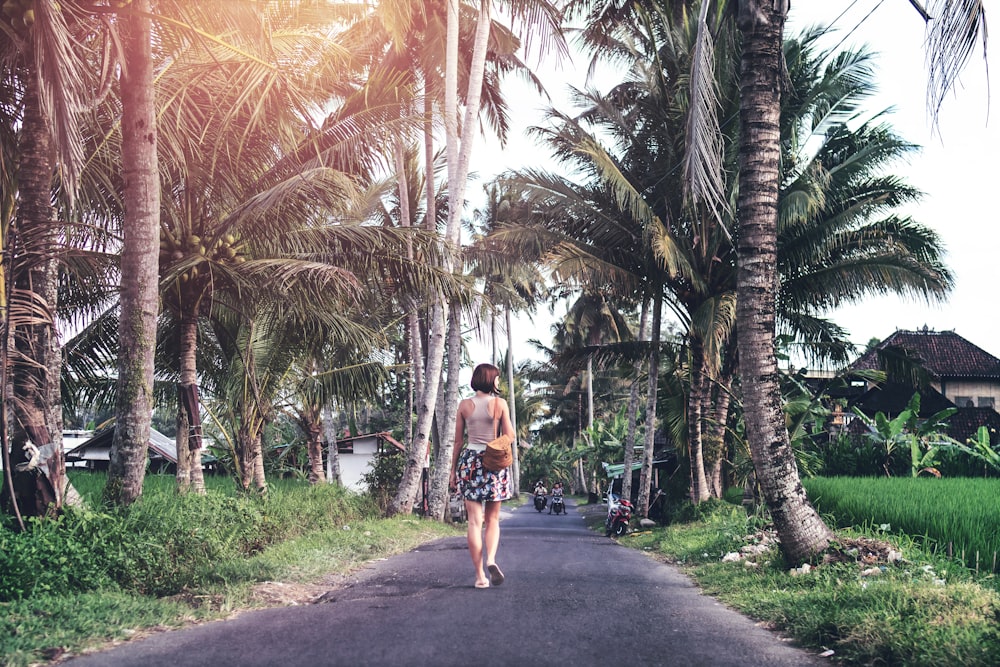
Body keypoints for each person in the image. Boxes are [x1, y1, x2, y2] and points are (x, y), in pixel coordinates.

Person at [449, 363, 515, 588]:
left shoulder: (464, 405)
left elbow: (458, 441)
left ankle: (479, 577)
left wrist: (452, 471)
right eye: (497, 378)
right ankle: (491, 559)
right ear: (491, 380)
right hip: (492, 462)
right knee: (493, 519)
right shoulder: (500, 404)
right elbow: (510, 435)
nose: (498, 382)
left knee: (474, 523)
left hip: (469, 462)